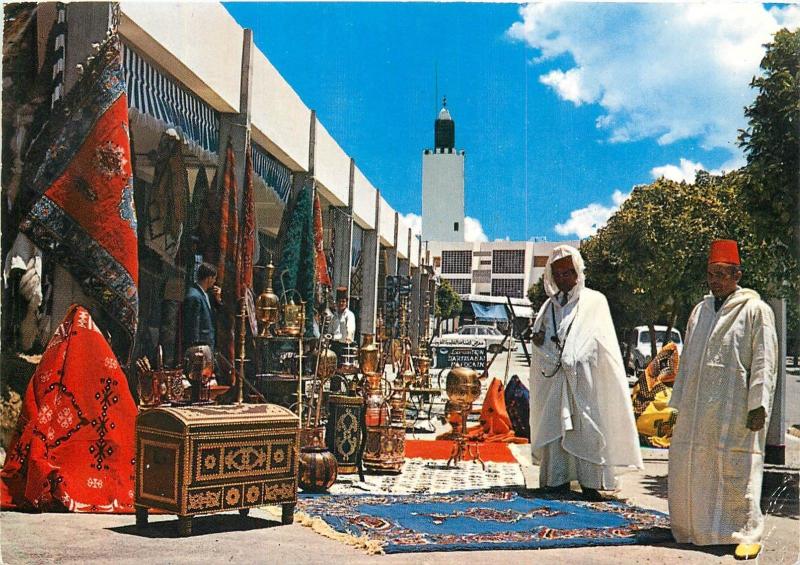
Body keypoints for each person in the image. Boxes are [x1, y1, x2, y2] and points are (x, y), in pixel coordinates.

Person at [668, 239, 778, 560]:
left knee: (736, 470)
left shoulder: (756, 310)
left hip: (735, 410)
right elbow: (687, 362)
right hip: (698, 410)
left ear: (737, 274)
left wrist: (759, 404)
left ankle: (746, 533)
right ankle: (697, 530)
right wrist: (676, 405)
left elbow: (765, 361)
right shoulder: (700, 311)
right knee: (697, 467)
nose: (715, 280)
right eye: (711, 274)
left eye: (722, 274)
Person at [529, 245, 642, 500]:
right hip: (556, 381)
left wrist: (576, 357)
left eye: (568, 272)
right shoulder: (549, 306)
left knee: (586, 429)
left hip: (585, 382)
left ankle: (591, 483)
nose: (563, 279)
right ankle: (557, 480)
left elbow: (599, 341)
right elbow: (543, 338)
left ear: (578, 271)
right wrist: (540, 342)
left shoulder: (595, 301)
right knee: (556, 429)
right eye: (557, 274)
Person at [182, 262, 222, 352]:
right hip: (200, 349)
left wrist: (218, 300)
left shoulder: (206, 295)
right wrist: (195, 350)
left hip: (207, 346)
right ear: (208, 278)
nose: (214, 282)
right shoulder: (194, 296)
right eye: (214, 278)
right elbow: (193, 327)